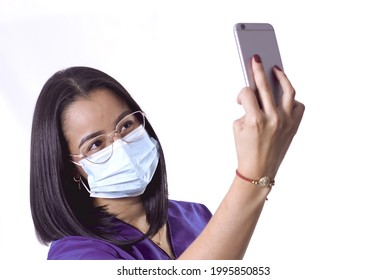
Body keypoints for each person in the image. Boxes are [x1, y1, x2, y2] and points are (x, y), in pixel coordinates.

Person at [30, 54, 304, 260]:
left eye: (126, 125)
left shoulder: (194, 215)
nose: (121, 146)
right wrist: (254, 174)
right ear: (70, 170)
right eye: (96, 145)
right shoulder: (75, 255)